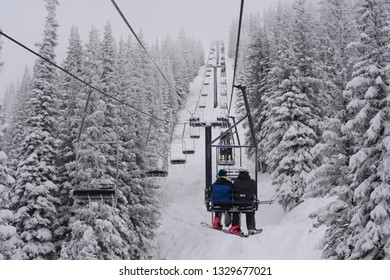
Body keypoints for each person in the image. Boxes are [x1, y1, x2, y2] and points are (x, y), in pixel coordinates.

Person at [228, 166, 258, 235]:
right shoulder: (252, 182)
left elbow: (231, 192)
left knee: (235, 211)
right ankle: (251, 228)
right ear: (247, 173)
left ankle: (235, 227)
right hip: (248, 203)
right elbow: (255, 192)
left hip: (237, 203)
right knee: (250, 212)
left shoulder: (235, 182)